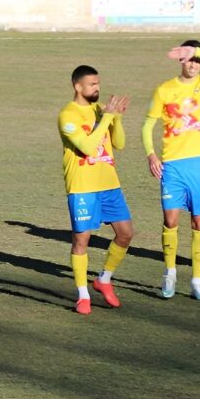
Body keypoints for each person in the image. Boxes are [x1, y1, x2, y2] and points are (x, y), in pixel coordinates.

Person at [142, 41, 200, 302]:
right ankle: (169, 273)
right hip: (172, 166)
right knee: (170, 221)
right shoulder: (164, 89)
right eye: (189, 59)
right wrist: (151, 155)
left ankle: (197, 281)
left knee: (199, 223)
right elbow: (147, 125)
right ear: (180, 60)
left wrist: (199, 52)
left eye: (197, 60)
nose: (193, 65)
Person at [58, 66, 133, 315]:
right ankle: (83, 295)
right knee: (82, 240)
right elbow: (89, 147)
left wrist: (116, 118)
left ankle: (104, 279)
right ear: (77, 87)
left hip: (109, 183)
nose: (97, 88)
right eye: (92, 84)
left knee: (125, 234)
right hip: (82, 187)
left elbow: (119, 144)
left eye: (98, 83)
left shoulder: (100, 110)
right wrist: (107, 118)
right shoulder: (67, 116)